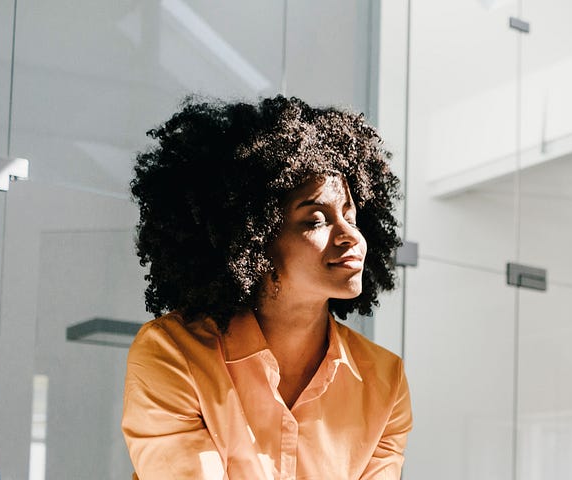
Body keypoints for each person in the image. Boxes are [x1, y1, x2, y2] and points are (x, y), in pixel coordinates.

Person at [120, 95, 410, 479]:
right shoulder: (172, 354)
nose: (350, 237)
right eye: (316, 220)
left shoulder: (386, 381)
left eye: (350, 217)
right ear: (252, 239)